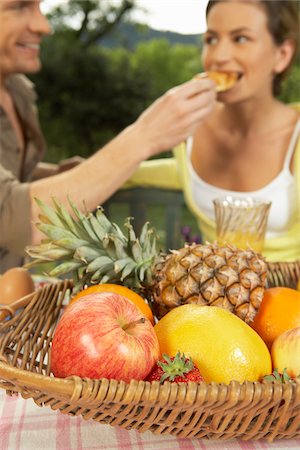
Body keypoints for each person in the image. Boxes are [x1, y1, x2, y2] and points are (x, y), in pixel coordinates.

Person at [0, 0, 217, 273]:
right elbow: (21, 218)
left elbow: (11, 176)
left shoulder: (17, 92)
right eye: (19, 7)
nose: (43, 26)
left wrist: (59, 175)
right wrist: (145, 135)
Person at [126, 0, 300, 262]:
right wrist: (79, 170)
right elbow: (173, 172)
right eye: (211, 39)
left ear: (282, 54)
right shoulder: (189, 129)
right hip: (212, 297)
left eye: (240, 38)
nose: (218, 57)